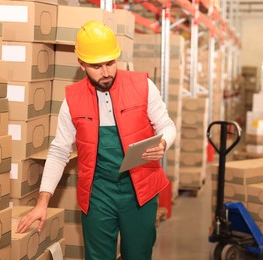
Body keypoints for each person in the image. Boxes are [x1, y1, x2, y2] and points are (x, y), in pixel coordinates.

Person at [16, 20, 177, 260]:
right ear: (81, 64)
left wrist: (163, 143)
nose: (106, 72)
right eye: (96, 66)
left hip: (140, 190)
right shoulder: (72, 100)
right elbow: (59, 151)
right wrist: (42, 201)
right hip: (98, 192)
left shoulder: (143, 86)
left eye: (111, 63)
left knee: (138, 254)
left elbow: (167, 125)